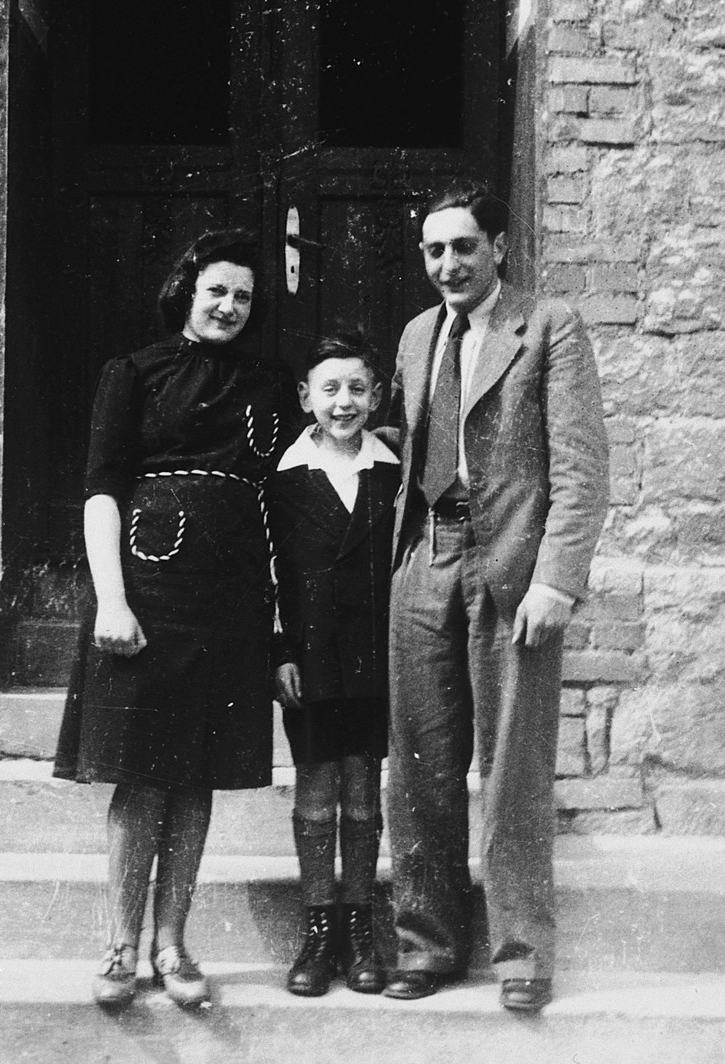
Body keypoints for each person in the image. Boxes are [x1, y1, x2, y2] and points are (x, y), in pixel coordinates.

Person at [53, 230, 296, 1012]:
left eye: (244, 298)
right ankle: (122, 945)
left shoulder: (269, 383)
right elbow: (100, 491)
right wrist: (112, 599)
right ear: (188, 291)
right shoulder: (134, 372)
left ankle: (173, 943)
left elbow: (285, 499)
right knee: (142, 778)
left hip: (230, 602)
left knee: (197, 781)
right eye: (217, 291)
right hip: (148, 595)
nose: (229, 306)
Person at [383, 181, 609, 1012]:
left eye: (464, 247)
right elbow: (421, 442)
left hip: (512, 565)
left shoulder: (549, 327)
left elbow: (582, 471)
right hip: (425, 559)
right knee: (417, 766)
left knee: (511, 768)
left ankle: (520, 957)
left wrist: (557, 577)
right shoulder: (416, 335)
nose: (448, 264)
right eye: (435, 250)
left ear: (499, 248)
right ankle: (429, 944)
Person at [268, 329, 400, 998]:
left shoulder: (394, 474)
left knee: (362, 794)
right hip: (312, 660)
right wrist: (280, 651)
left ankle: (359, 927)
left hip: (376, 657)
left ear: (376, 395)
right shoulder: (284, 478)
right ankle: (317, 931)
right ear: (306, 397)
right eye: (330, 389)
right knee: (317, 795)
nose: (343, 402)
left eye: (356, 388)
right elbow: (268, 573)